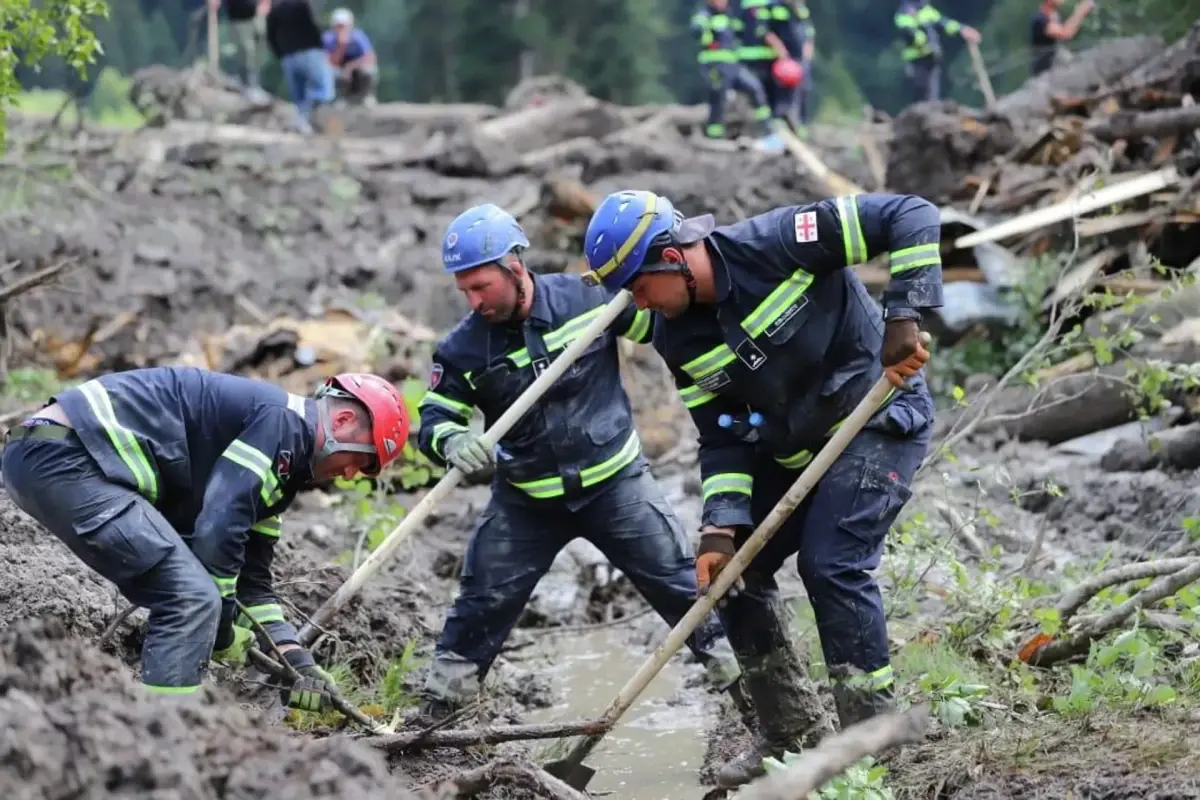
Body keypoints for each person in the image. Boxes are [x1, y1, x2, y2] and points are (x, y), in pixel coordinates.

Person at [581, 190, 942, 788]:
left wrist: (903, 315)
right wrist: (720, 530)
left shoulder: (781, 242)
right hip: (793, 450)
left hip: (876, 421)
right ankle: (789, 730)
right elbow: (721, 436)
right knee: (732, 577)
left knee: (832, 565)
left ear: (672, 257)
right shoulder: (677, 337)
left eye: (639, 288)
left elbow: (912, 213)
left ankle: (876, 740)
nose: (637, 307)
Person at [414, 203, 742, 717]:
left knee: (686, 588)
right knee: (481, 604)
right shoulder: (462, 350)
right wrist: (453, 442)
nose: (475, 301)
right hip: (527, 502)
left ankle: (747, 692)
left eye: (483, 287)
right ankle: (438, 714)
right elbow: (435, 418)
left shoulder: (591, 300)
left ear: (514, 266)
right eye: (466, 291)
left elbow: (666, 324)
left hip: (617, 486)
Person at [1, 368, 410, 710]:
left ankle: (160, 742)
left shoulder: (281, 471)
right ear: (341, 423)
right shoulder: (281, 423)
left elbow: (253, 581)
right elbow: (218, 526)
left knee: (195, 594)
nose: (353, 474)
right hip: (64, 456)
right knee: (192, 598)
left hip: (49, 453)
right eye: (362, 458)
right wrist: (223, 631)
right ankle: (164, 752)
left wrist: (296, 659)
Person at [691, 0, 780, 151]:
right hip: (715, 65)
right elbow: (696, 30)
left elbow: (739, 35)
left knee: (755, 88)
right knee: (719, 100)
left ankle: (767, 132)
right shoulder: (704, 15)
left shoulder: (729, 16)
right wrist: (703, 32)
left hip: (733, 66)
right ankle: (714, 137)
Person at [265, 0, 336, 133]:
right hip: (310, 51)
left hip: (288, 57)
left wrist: (280, 55)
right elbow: (313, 26)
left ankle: (302, 122)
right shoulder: (301, 5)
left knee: (299, 95)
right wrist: (321, 47)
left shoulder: (274, 11)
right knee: (323, 88)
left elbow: (270, 37)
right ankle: (319, 117)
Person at [894, 1, 980, 104]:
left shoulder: (927, 10)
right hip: (918, 61)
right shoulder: (904, 12)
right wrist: (925, 42)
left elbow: (944, 24)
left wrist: (962, 30)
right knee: (922, 96)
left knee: (932, 95)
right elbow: (908, 33)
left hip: (932, 59)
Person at [738, 0, 799, 131]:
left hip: (764, 61)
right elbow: (765, 32)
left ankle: (771, 129)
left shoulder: (748, 8)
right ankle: (766, 130)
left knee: (764, 97)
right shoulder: (767, 8)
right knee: (764, 97)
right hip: (763, 62)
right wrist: (782, 51)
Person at [323, 8, 379, 107]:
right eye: (338, 26)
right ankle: (340, 99)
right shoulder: (328, 38)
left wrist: (350, 67)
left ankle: (366, 97)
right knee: (331, 72)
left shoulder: (358, 37)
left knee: (369, 71)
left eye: (343, 26)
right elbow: (330, 62)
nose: (341, 29)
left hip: (356, 69)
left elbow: (370, 57)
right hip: (339, 71)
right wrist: (341, 46)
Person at [1031, 0, 1095, 77]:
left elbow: (1070, 33)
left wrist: (1082, 12)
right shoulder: (1040, 19)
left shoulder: (1054, 16)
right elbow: (1065, 33)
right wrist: (1080, 11)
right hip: (1045, 73)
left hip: (1057, 66)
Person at [789, 1, 816, 135]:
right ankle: (792, 124)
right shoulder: (784, 11)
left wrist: (805, 59)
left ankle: (803, 125)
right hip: (791, 61)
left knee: (804, 91)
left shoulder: (804, 14)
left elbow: (809, 38)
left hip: (802, 61)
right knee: (791, 94)